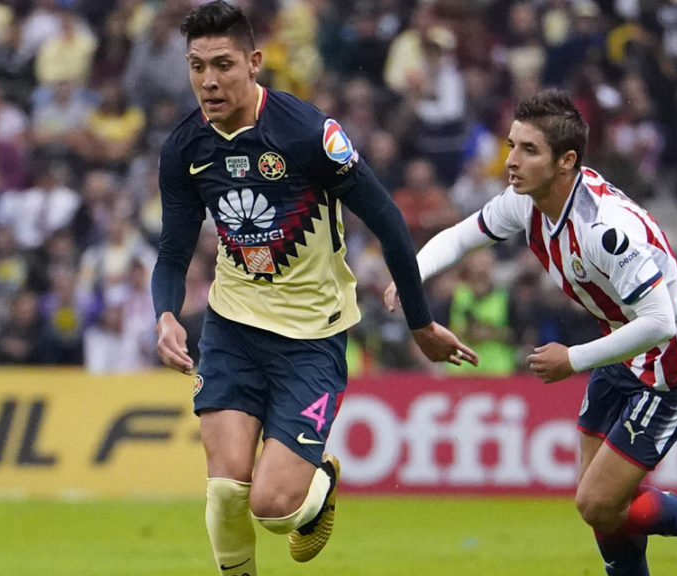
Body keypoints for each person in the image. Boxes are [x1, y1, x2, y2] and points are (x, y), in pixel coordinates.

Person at [151, 3, 478, 576]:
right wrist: (166, 315)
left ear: (254, 63)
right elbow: (174, 250)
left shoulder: (306, 133)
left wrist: (421, 322)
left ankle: (320, 481)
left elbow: (388, 220)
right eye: (196, 65)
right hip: (233, 324)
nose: (208, 80)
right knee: (226, 488)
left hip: (312, 336)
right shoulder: (184, 149)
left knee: (273, 509)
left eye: (222, 64)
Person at [385, 89, 677, 576]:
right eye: (511, 145)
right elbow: (461, 236)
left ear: (566, 160)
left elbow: (660, 322)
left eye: (529, 150)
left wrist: (572, 359)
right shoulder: (526, 203)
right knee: (601, 503)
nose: (510, 161)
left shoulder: (606, 230)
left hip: (672, 366)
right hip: (620, 348)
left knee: (596, 503)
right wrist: (412, 275)